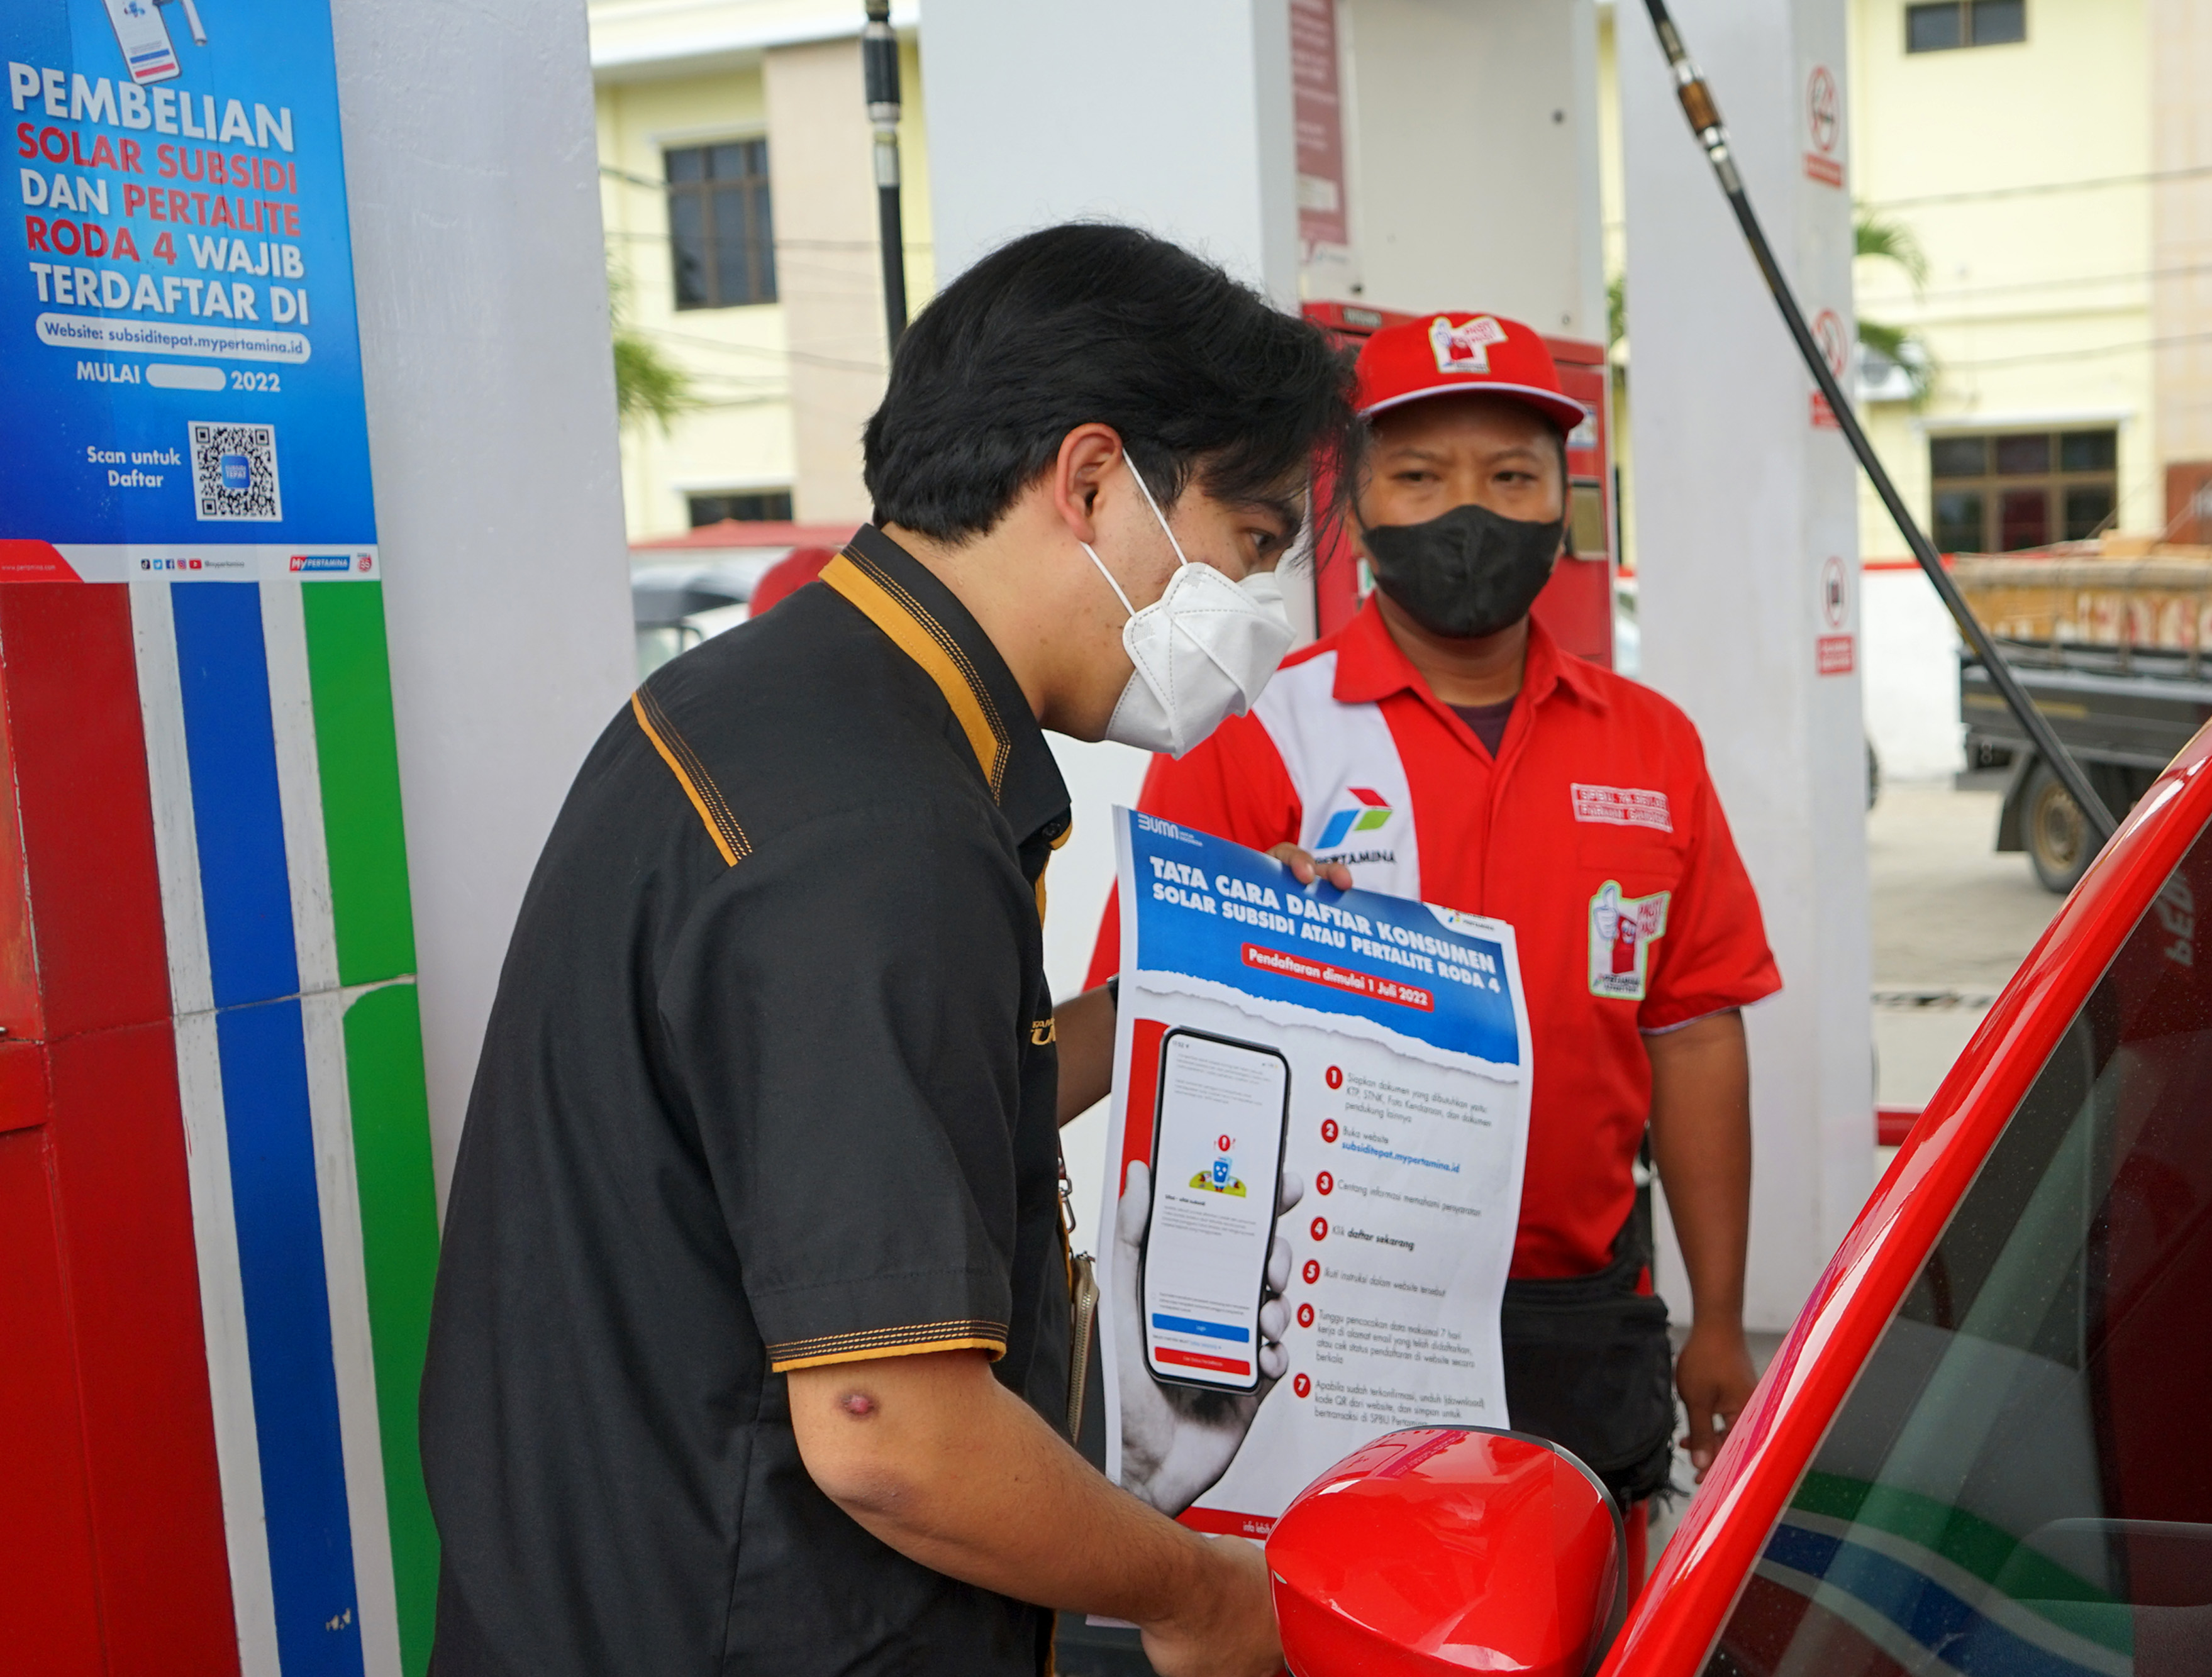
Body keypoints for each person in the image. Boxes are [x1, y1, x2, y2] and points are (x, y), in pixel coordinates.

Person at [418, 223, 1353, 1677]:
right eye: (1253, 545)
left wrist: (1189, 985)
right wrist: (1195, 1591)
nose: (1261, 618)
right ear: (1092, 481)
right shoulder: (873, 827)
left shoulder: (790, 707)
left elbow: (895, 1114)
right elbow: (886, 1431)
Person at [1067, 309, 1779, 1563]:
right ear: (1355, 501)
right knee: (1340, 1616)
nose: (1469, 512)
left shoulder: (1650, 744)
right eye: (1419, 475)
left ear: (1564, 501)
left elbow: (1695, 1031)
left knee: (1580, 1614)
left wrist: (1715, 1317)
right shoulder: (1257, 732)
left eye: (1510, 476)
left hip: (1580, 1317)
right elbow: (1153, 1023)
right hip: (1329, 1326)